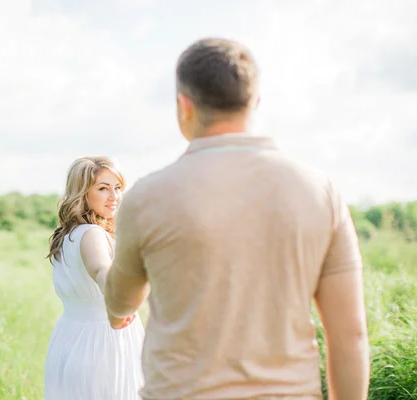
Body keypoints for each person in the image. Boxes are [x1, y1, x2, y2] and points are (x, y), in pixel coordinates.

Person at [103, 37, 370, 399]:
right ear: (254, 102)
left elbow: (121, 303)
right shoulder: (320, 191)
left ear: (184, 106)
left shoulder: (146, 197)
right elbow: (350, 335)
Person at [44, 156, 145, 400]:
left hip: (71, 337)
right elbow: (101, 269)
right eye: (103, 188)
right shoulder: (92, 235)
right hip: (102, 342)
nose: (114, 196)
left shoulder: (67, 236)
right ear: (83, 193)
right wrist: (118, 298)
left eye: (117, 187)